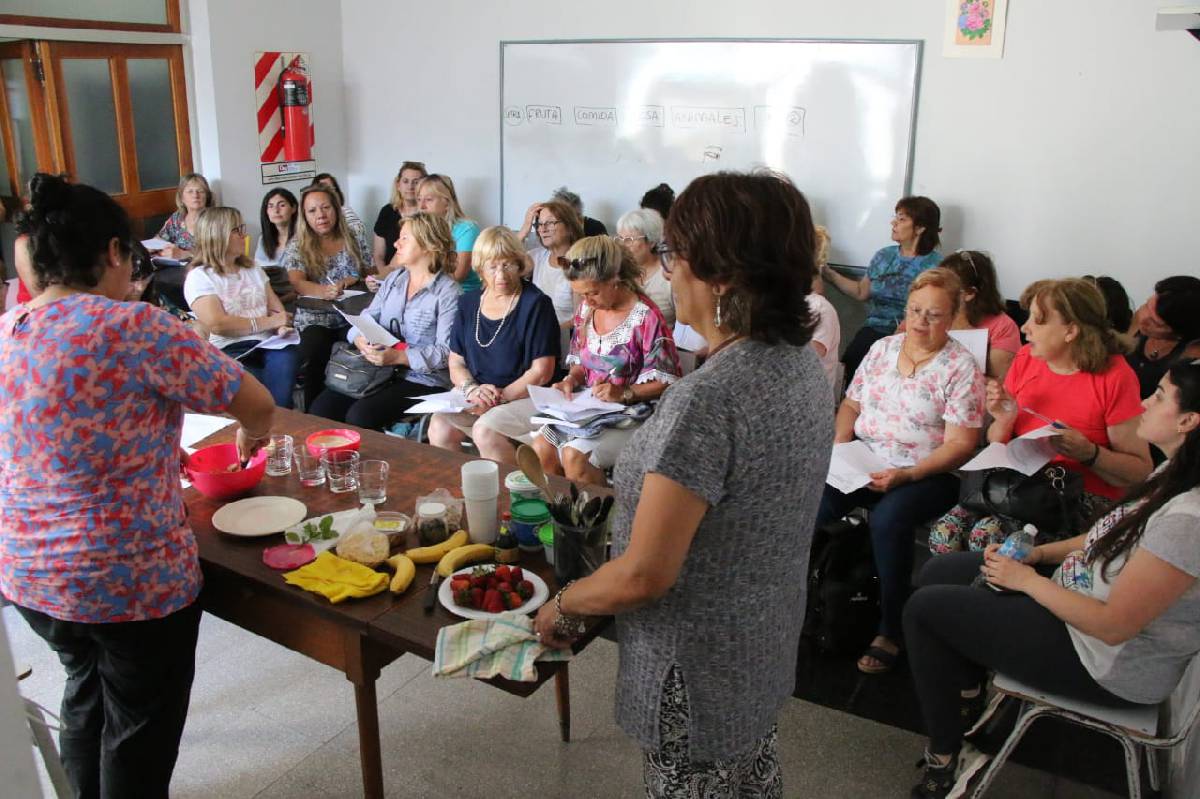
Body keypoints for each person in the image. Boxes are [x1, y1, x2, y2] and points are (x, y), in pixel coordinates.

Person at [532, 171, 833, 797]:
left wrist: (562, 607)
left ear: (720, 276)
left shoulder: (709, 399)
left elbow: (646, 574)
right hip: (760, 642)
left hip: (694, 671)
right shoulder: (799, 363)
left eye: (673, 256)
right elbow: (737, 507)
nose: (666, 273)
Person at [0, 173, 275, 799]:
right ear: (116, 254)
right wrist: (252, 441)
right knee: (136, 729)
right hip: (127, 577)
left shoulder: (8, 331)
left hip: (29, 573)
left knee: (84, 692)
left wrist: (143, 442)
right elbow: (256, 405)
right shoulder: (135, 326)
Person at [904, 358, 1200, 799]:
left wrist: (1026, 580)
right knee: (938, 571)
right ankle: (967, 699)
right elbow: (1104, 537)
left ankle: (946, 756)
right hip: (1074, 597)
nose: (1143, 403)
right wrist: (1037, 554)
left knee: (924, 610)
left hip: (1101, 661)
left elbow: (1113, 626)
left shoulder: (1188, 521)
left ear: (1188, 421)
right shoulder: (1172, 474)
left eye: (1157, 395)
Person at [816, 267, 985, 674]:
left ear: (953, 318)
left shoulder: (960, 367)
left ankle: (891, 628)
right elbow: (851, 406)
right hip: (865, 459)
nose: (921, 322)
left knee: (889, 521)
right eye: (915, 310)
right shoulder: (883, 349)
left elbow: (962, 445)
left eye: (934, 315)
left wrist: (907, 475)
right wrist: (841, 447)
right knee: (813, 505)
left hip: (926, 473)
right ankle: (801, 603)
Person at [930, 278, 1153, 555]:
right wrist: (1004, 420)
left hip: (1072, 494)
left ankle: (982, 596)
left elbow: (1139, 471)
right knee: (943, 535)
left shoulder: (1115, 377)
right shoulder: (1027, 358)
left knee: (985, 539)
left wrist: (1090, 453)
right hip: (1019, 485)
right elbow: (997, 442)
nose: (1025, 328)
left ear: (1070, 331)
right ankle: (952, 597)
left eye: (1038, 321)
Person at [529, 236, 681, 486]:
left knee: (575, 457)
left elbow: (668, 381)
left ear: (615, 278)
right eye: (581, 294)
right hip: (587, 409)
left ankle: (595, 521)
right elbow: (580, 363)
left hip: (633, 413)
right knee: (540, 449)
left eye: (593, 292)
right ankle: (562, 516)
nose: (587, 301)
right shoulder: (587, 311)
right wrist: (570, 379)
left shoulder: (646, 317)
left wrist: (624, 392)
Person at [308, 213, 459, 429]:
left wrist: (399, 357)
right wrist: (359, 339)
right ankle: (335, 461)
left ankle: (368, 461)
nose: (396, 243)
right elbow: (366, 319)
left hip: (423, 379)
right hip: (378, 372)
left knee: (360, 416)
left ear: (428, 245)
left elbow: (446, 352)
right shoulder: (394, 280)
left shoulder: (448, 292)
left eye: (405, 238)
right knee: (321, 409)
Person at [428, 226, 560, 461]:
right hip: (478, 394)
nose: (500, 274)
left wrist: (498, 398)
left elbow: (542, 372)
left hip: (526, 396)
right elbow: (456, 362)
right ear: (480, 268)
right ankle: (453, 489)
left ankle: (503, 493)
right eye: (492, 266)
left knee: (485, 430)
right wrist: (472, 390)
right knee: (439, 424)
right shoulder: (468, 303)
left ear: (520, 265)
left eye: (507, 264)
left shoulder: (536, 304)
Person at [184, 207, 300, 408]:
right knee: (252, 382)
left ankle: (280, 419)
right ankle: (269, 421)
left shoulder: (252, 268)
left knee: (287, 360)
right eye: (237, 230)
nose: (244, 235)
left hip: (267, 342)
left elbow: (276, 309)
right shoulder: (199, 276)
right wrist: (270, 322)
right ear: (218, 235)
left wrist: (280, 325)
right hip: (229, 348)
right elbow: (218, 324)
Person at [822, 196, 943, 388]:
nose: (893, 222)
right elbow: (862, 292)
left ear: (920, 228)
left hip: (913, 332)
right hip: (875, 328)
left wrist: (903, 329)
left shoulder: (935, 264)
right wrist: (828, 273)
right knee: (850, 365)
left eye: (902, 219)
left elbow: (934, 307)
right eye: (896, 217)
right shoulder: (884, 255)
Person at [282, 184, 371, 409]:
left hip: (352, 314)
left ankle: (354, 404)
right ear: (305, 216)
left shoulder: (352, 235)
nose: (321, 215)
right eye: (312, 211)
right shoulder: (298, 244)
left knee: (367, 345)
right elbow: (296, 281)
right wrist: (323, 291)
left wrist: (352, 278)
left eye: (326, 208)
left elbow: (367, 269)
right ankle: (314, 411)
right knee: (315, 350)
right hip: (315, 318)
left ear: (336, 209)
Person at [907, 250, 1019, 380]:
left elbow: (1000, 380)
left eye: (947, 286)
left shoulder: (1003, 326)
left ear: (970, 293)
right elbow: (897, 352)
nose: (938, 291)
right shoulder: (922, 311)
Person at [1126, 276, 1200, 399]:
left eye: (1155, 323)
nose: (1143, 319)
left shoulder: (1191, 357)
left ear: (1178, 334)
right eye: (1146, 305)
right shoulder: (1140, 317)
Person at [517, 198, 584, 326]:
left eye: (550, 223)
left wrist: (546, 332)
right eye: (539, 224)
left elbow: (580, 320)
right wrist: (524, 230)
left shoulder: (580, 263)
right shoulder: (536, 256)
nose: (543, 229)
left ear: (569, 227)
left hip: (563, 337)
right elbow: (503, 265)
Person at [416, 174, 482, 292]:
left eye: (429, 200)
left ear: (447, 203)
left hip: (461, 295)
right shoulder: (417, 228)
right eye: (419, 199)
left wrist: (419, 278)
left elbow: (457, 276)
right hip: (426, 292)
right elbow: (396, 265)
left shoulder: (467, 229)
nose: (421, 206)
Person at [615, 207, 675, 326]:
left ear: (652, 242)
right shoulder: (617, 272)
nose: (622, 246)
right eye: (620, 239)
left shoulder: (668, 276)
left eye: (629, 240)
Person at [373, 161, 427, 270]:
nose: (410, 186)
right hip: (388, 275)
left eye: (416, 182)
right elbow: (378, 255)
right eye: (405, 181)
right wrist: (384, 280)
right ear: (398, 185)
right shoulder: (387, 211)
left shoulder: (428, 215)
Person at [254, 187, 300, 307]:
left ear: (294, 208)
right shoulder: (263, 239)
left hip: (295, 297)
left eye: (282, 205)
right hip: (269, 297)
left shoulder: (303, 238)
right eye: (271, 206)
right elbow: (258, 273)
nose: (276, 210)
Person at [154, 173, 213, 261]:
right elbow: (160, 239)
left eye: (200, 191)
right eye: (190, 191)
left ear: (207, 197)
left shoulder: (216, 219)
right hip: (178, 268)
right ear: (182, 198)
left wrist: (187, 254)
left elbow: (221, 252)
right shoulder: (177, 218)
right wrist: (151, 248)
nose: (195, 195)